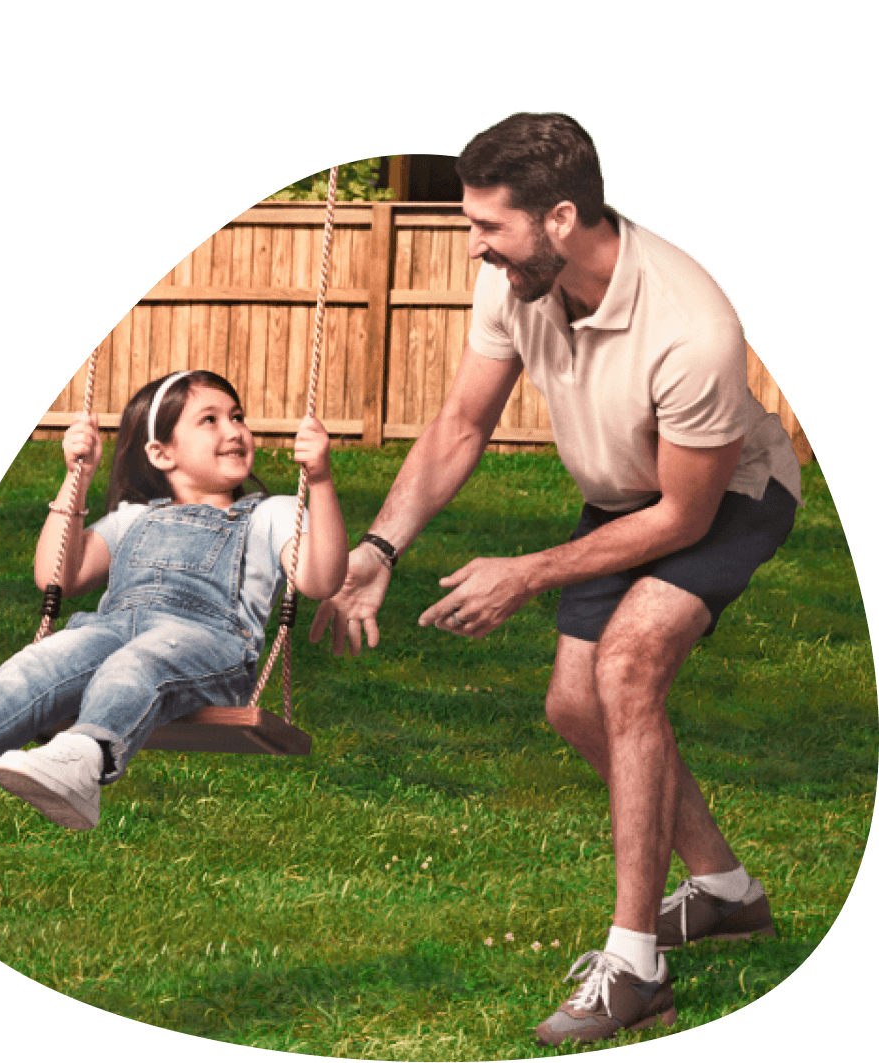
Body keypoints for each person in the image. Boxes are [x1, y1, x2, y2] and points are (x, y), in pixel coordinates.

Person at [310, 113, 800, 1046]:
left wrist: (526, 574)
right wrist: (377, 551)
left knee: (628, 669)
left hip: (724, 493)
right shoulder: (516, 283)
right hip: (627, 496)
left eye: (488, 226)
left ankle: (634, 967)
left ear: (563, 217)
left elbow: (683, 521)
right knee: (576, 707)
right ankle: (728, 892)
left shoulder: (692, 326)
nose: (472, 244)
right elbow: (461, 424)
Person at [0, 370, 348, 833]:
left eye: (237, 416)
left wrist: (320, 481)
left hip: (209, 647)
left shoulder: (271, 514)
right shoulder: (132, 518)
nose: (234, 430)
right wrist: (78, 479)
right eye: (210, 420)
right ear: (161, 453)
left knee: (139, 661)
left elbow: (320, 579)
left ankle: (82, 760)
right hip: (111, 630)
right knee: (38, 663)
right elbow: (60, 575)